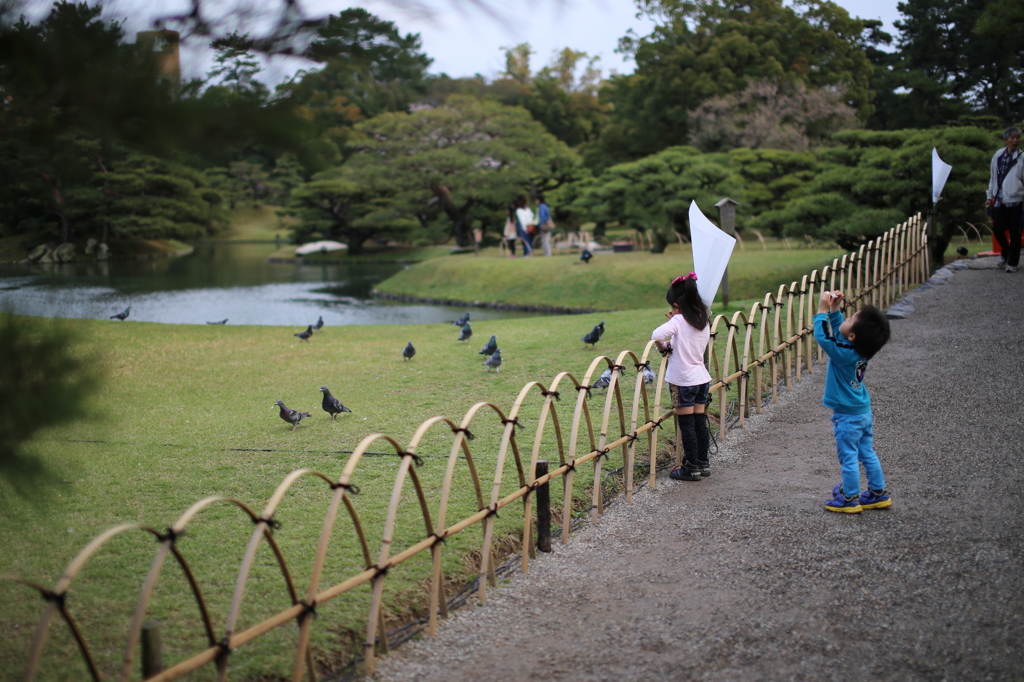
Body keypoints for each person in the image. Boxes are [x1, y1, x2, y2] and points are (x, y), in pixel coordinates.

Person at [813, 291, 892, 513]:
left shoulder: (844, 353)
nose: (845, 319)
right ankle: (878, 492)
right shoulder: (859, 349)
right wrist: (836, 310)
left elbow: (824, 337)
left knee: (848, 457)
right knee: (867, 452)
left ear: (853, 337)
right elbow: (842, 335)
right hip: (863, 412)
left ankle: (849, 498)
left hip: (847, 416)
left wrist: (822, 310)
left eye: (849, 319)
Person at [651, 272, 712, 481]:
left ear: (677, 305)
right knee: (699, 422)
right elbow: (687, 340)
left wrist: (663, 348)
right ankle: (703, 464)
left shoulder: (678, 321)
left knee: (686, 424)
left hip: (683, 380)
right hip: (701, 378)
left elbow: (656, 334)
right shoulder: (703, 320)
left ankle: (691, 468)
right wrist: (676, 321)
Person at [986, 126, 1024, 274]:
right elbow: (993, 177)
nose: (1015, 140)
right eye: (1012, 137)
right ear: (1005, 139)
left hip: (1016, 199)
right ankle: (1005, 251)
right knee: (997, 229)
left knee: (1015, 232)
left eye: (1018, 137)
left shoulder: (1022, 158)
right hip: (1000, 199)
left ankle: (1013, 263)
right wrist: (989, 197)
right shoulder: (998, 155)